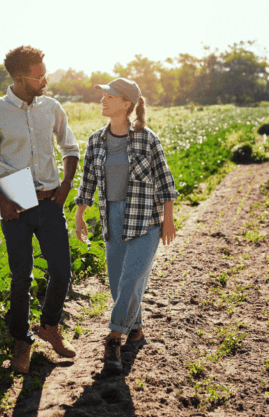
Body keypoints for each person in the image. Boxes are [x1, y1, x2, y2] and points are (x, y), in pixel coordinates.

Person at [0, 45, 80, 374]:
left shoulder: (52, 108)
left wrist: (66, 184)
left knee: (61, 271)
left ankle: (50, 327)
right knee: (21, 278)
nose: (46, 79)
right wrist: (2, 200)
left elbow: (70, 147)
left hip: (50, 203)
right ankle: (21, 341)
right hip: (15, 203)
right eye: (40, 75)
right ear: (20, 78)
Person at [73, 78, 178, 375]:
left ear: (126, 104)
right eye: (103, 96)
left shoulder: (147, 138)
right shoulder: (96, 140)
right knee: (118, 281)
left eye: (110, 96)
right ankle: (137, 330)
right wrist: (80, 214)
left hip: (146, 219)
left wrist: (168, 219)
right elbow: (87, 182)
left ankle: (114, 338)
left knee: (130, 280)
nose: (103, 101)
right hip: (112, 218)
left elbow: (165, 180)